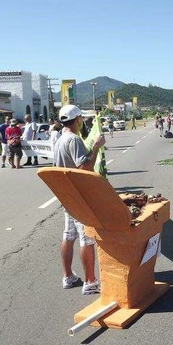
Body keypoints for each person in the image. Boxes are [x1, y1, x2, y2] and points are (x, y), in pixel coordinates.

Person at [53, 104, 106, 295]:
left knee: (68, 235)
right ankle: (90, 282)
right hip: (79, 196)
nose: (82, 122)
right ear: (77, 120)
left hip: (67, 195)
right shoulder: (74, 140)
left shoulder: (59, 140)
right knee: (87, 238)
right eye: (81, 119)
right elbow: (85, 169)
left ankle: (68, 276)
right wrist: (96, 147)